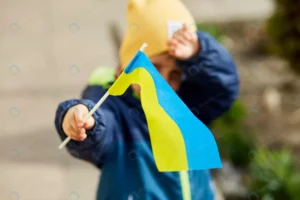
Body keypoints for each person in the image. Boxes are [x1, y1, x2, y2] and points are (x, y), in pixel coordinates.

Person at [54, 0, 239, 199]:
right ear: (124, 69)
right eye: (154, 68)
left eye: (175, 74)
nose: (164, 82)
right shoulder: (115, 106)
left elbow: (224, 86)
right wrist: (81, 119)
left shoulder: (187, 102)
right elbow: (100, 127)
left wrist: (199, 52)